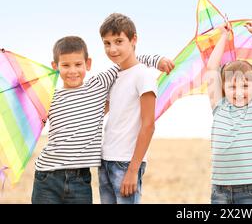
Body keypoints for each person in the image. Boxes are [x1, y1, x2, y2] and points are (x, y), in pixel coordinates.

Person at [31, 36, 173, 204]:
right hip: (47, 177)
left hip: (80, 180)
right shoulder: (48, 98)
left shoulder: (97, 86)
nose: (72, 71)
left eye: (78, 64)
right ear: (55, 67)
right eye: (65, 65)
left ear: (88, 64)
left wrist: (156, 60)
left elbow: (128, 61)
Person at [99, 13, 171, 204]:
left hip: (126, 163)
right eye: (107, 43)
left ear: (133, 40)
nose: (112, 49)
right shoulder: (114, 77)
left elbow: (148, 125)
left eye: (118, 41)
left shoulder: (143, 76)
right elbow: (100, 112)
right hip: (105, 160)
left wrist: (132, 170)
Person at [206, 21, 252, 204]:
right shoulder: (219, 106)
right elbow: (211, 68)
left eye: (245, 85)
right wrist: (223, 37)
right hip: (220, 190)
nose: (239, 91)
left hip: (251, 191)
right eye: (232, 86)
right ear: (223, 87)